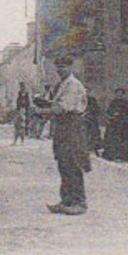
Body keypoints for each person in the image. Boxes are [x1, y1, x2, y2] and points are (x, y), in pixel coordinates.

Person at [43, 57, 89, 215]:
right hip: (63, 127)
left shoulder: (73, 85)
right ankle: (66, 200)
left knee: (72, 163)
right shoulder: (62, 84)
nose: (60, 70)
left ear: (71, 67)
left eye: (64, 67)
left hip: (72, 126)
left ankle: (79, 202)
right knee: (63, 163)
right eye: (58, 67)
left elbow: (63, 108)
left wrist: (43, 111)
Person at [103, 87, 128, 162]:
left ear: (123, 94)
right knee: (113, 138)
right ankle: (112, 154)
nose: (119, 94)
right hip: (114, 123)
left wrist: (121, 114)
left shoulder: (126, 102)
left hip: (123, 123)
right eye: (118, 93)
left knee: (123, 139)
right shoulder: (113, 102)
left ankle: (124, 155)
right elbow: (109, 111)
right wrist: (112, 115)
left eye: (121, 93)